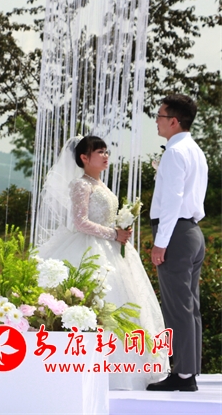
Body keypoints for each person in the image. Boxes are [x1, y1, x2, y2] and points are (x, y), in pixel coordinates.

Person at [37, 135, 168, 391]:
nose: (105, 156)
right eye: (99, 152)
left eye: (106, 151)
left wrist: (121, 228)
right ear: (84, 158)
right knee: (100, 301)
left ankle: (129, 369)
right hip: (91, 249)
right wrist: (113, 233)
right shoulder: (81, 184)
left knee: (126, 302)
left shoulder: (101, 185)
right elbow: (80, 222)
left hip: (112, 248)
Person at [146, 94, 207, 392]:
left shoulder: (174, 152)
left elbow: (172, 202)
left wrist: (161, 243)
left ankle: (182, 375)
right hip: (192, 232)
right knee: (189, 307)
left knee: (178, 308)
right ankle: (187, 373)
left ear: (173, 121)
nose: (156, 121)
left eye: (159, 116)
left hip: (176, 234)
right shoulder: (195, 150)